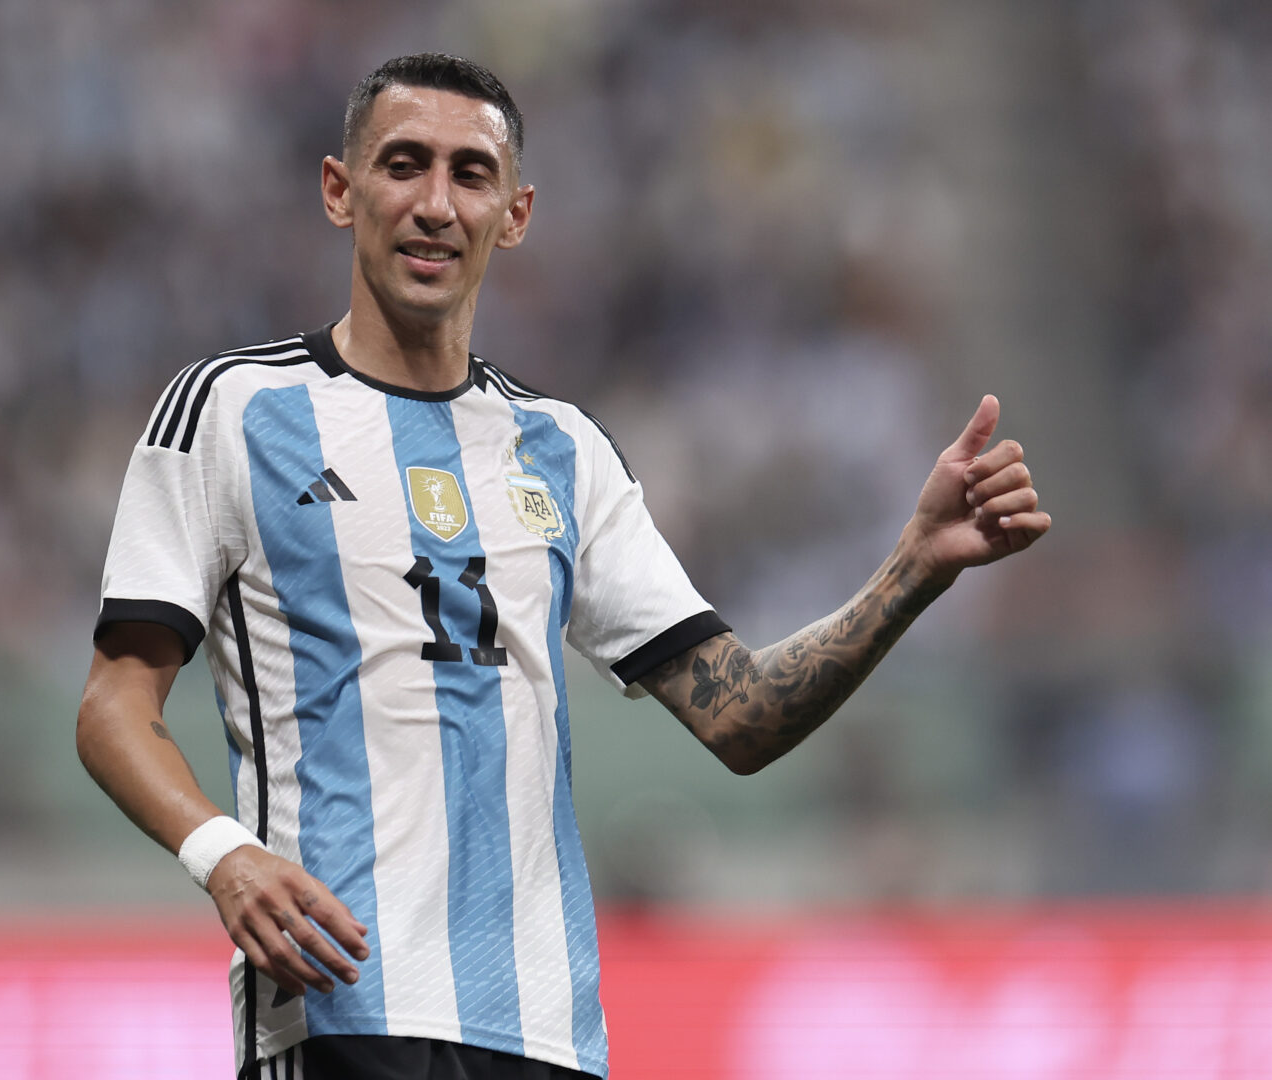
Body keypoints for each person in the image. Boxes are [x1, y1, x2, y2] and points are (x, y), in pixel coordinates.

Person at [76, 53, 1049, 1080]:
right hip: (339, 1007)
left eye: (470, 173)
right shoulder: (231, 411)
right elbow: (113, 705)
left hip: (547, 1036)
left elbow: (744, 715)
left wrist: (915, 566)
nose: (435, 204)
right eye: (403, 165)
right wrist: (223, 855)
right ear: (339, 189)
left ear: (516, 213)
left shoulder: (563, 450)